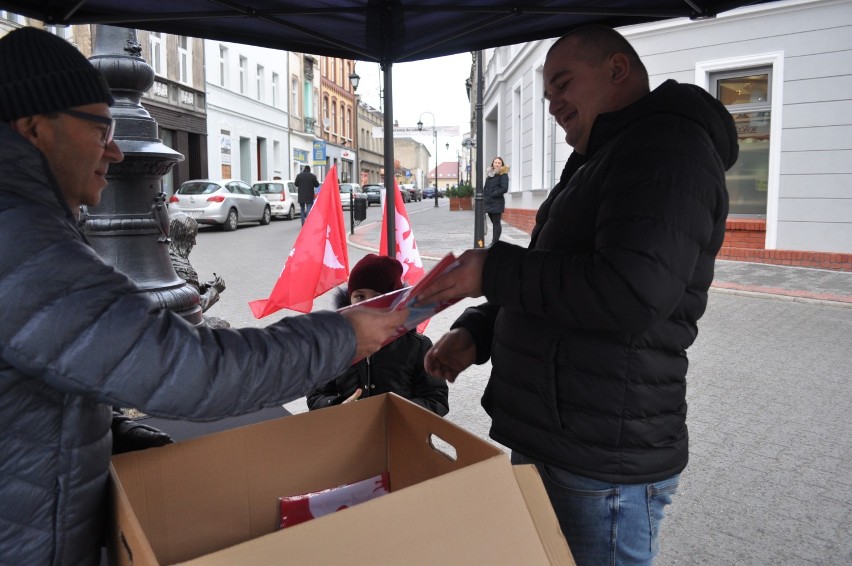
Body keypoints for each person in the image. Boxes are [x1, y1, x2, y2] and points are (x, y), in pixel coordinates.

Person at [0, 27, 407, 566]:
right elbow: (193, 371)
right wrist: (343, 334)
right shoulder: (21, 240)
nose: (116, 150)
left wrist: (108, 432)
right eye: (101, 129)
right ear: (34, 127)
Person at [414, 24, 736, 565]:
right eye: (547, 95)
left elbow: (631, 292)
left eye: (564, 84)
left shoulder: (667, 149)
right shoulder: (599, 157)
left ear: (617, 69)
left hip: (601, 455)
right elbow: (555, 274)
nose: (554, 104)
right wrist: (479, 330)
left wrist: (492, 272)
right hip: (558, 434)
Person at [307, 254, 449, 416]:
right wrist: (337, 405)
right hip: (349, 436)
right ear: (349, 299)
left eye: (378, 297)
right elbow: (315, 396)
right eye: (360, 296)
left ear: (395, 300)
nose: (367, 304)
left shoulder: (418, 347)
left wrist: (397, 411)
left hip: (398, 437)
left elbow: (437, 399)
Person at [168, 211, 230, 328]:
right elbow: (195, 307)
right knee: (223, 326)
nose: (194, 243)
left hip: (172, 318)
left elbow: (179, 292)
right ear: (181, 236)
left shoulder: (164, 256)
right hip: (182, 324)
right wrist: (215, 289)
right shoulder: (180, 266)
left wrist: (201, 287)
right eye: (192, 237)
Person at [483, 156, 509, 245]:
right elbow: (486, 188)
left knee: (496, 223)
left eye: (499, 163)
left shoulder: (503, 174)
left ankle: (495, 242)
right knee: (494, 223)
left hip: (497, 202)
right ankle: (495, 242)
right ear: (493, 164)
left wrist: (493, 194)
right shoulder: (490, 175)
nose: (497, 164)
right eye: (495, 162)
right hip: (488, 202)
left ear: (502, 165)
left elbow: (504, 188)